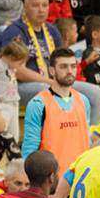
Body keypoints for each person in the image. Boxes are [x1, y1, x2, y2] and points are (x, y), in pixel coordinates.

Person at [22, 48, 91, 177]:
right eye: (63, 67)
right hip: (51, 181)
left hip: (81, 178)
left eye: (73, 66)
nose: (70, 71)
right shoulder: (38, 104)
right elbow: (29, 151)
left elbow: (86, 141)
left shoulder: (83, 100)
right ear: (52, 71)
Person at [0, 39, 29, 142]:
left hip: (13, 104)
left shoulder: (10, 66)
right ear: (12, 58)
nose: (21, 66)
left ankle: (12, 156)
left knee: (14, 137)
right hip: (2, 104)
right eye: (20, 63)